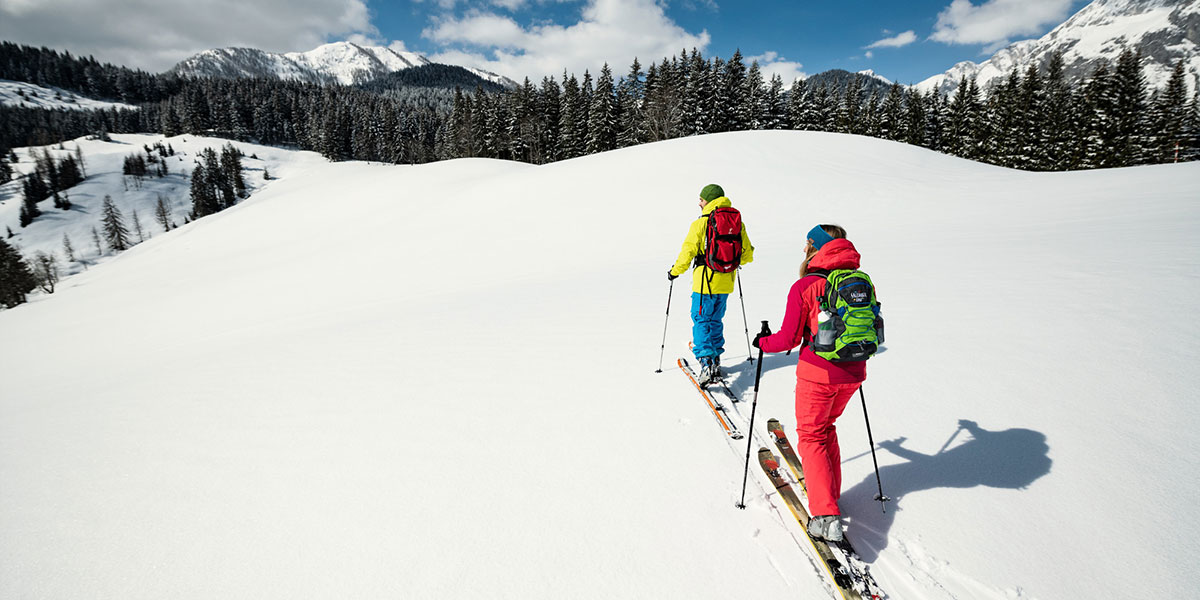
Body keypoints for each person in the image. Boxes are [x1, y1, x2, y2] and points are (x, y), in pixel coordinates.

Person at [752, 224, 863, 543]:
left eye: (808, 243)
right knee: (826, 429)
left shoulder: (806, 285)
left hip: (819, 373)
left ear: (819, 247)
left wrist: (764, 343)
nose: (804, 249)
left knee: (812, 436)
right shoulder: (857, 282)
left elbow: (788, 337)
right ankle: (829, 495)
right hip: (853, 371)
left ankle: (825, 515)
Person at [668, 184, 753, 384]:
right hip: (725, 282)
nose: (699, 203)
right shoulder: (736, 223)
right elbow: (747, 255)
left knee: (701, 319)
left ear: (708, 200)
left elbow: (687, 253)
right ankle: (715, 357)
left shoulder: (700, 224)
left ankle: (706, 361)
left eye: (701, 199)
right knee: (715, 320)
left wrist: (674, 272)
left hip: (704, 282)